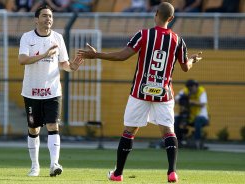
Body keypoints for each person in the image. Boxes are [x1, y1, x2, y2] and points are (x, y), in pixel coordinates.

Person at [78, 2, 202, 183]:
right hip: (164, 93)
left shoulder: (144, 35)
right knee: (168, 131)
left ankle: (118, 174)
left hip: (140, 91)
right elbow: (185, 68)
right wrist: (192, 60)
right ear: (171, 18)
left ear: (156, 13)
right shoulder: (178, 40)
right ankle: (172, 172)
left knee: (129, 131)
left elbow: (122, 55)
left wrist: (97, 55)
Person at [18, 5, 83, 177]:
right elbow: (22, 60)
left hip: (52, 92)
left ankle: (54, 164)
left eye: (50, 16)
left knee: (53, 126)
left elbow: (64, 63)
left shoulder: (58, 38)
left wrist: (73, 67)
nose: (48, 19)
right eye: (45, 16)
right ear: (36, 19)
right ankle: (35, 166)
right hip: (31, 91)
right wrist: (44, 55)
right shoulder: (27, 37)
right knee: (34, 129)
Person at [174, 79, 209, 149]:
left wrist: (190, 102)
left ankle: (197, 142)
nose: (190, 89)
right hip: (189, 117)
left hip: (202, 117)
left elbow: (202, 104)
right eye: (189, 88)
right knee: (176, 119)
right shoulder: (185, 91)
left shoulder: (201, 91)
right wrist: (182, 100)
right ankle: (178, 141)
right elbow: (176, 99)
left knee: (198, 120)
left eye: (192, 87)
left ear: (196, 86)